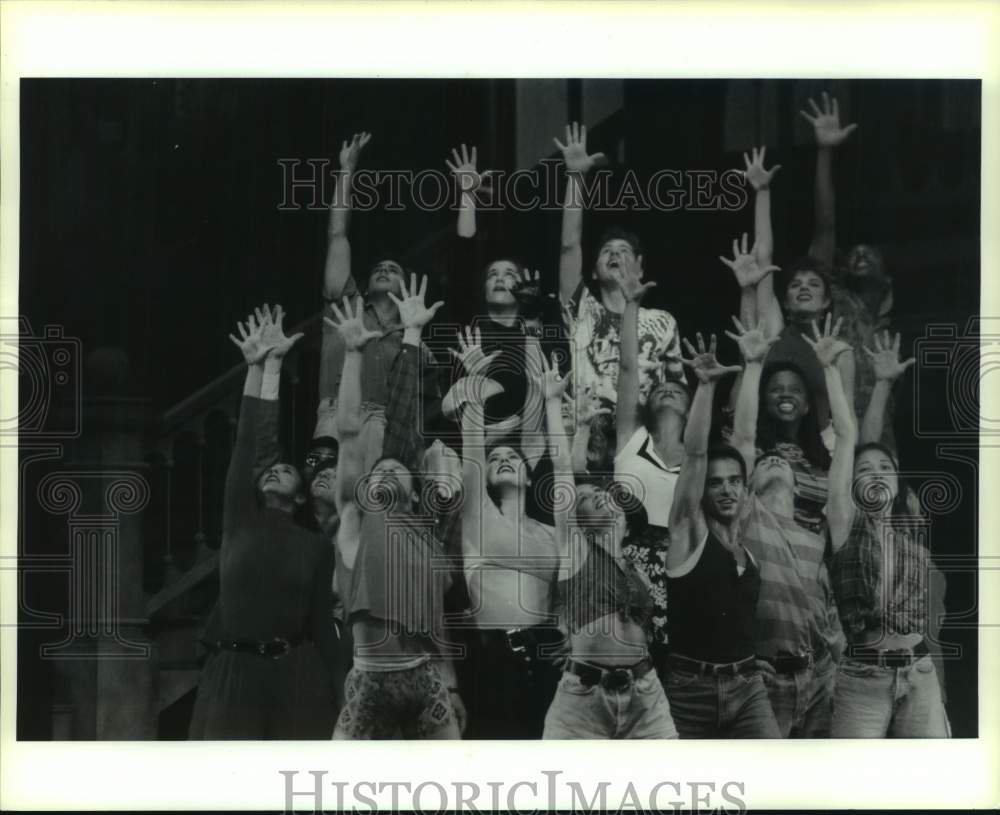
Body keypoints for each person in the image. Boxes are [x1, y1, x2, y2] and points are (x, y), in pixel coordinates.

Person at [189, 307, 338, 740]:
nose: (275, 471)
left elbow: (322, 631)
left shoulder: (316, 547)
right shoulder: (240, 522)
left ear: (301, 495)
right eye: (271, 470)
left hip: (293, 681)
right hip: (232, 677)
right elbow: (248, 446)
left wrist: (344, 705)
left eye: (287, 470)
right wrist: (263, 367)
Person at [328, 277, 463, 740]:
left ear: (412, 488)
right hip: (369, 680)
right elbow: (347, 436)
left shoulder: (426, 537)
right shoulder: (355, 524)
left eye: (395, 470)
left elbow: (436, 621)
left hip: (425, 680)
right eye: (377, 471)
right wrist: (352, 355)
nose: (384, 472)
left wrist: (451, 682)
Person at [537, 352, 678, 739]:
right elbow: (563, 468)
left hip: (645, 692)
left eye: (597, 493)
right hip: (585, 697)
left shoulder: (631, 561)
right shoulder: (575, 550)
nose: (595, 497)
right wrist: (552, 403)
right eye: (583, 500)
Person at [729, 312, 848, 737]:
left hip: (814, 586)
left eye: (794, 390)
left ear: (807, 401)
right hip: (765, 578)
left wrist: (831, 368)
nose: (785, 395)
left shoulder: (822, 459)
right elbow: (741, 439)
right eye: (775, 390)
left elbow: (849, 446)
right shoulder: (755, 453)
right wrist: (754, 364)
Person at [827, 329, 950, 738]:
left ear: (898, 483)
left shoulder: (908, 529)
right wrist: (830, 370)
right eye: (864, 470)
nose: (876, 474)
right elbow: (848, 436)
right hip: (865, 677)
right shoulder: (845, 523)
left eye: (885, 468)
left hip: (920, 672)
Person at [662, 330, 780, 739]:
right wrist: (707, 387)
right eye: (715, 483)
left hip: (747, 689)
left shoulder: (744, 539)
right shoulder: (688, 533)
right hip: (689, 693)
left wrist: (753, 366)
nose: (727, 489)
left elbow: (745, 440)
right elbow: (695, 455)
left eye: (734, 482)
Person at [453, 333, 564, 739]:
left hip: (548, 654)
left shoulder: (553, 532)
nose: (501, 458)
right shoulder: (478, 516)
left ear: (529, 472)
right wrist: (474, 384)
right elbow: (471, 451)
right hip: (491, 656)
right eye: (495, 456)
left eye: (511, 456)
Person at [556, 121, 683, 471]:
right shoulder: (583, 308)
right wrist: (576, 179)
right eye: (606, 251)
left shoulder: (663, 321)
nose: (615, 254)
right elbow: (569, 247)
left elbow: (677, 391)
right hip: (587, 436)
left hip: (645, 444)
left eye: (625, 250)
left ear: (641, 267)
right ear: (593, 271)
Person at [318, 131, 439, 471]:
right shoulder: (345, 304)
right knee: (325, 495)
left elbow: (422, 404)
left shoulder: (411, 338)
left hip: (384, 424)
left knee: (376, 508)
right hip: (332, 415)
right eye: (378, 268)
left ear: (404, 287)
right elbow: (337, 236)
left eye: (393, 269)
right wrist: (347, 172)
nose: (384, 269)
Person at [445, 144, 567, 446]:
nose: (500, 278)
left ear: (524, 286)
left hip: (534, 440)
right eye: (492, 275)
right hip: (480, 441)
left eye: (509, 274)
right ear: (482, 289)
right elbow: (463, 257)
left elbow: (558, 372)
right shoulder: (470, 328)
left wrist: (534, 321)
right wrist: (467, 196)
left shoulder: (537, 326)